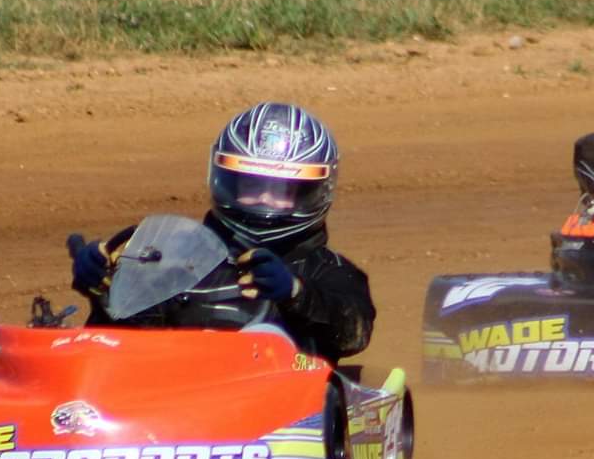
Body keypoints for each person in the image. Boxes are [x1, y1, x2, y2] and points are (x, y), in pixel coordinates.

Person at [69, 101, 375, 361]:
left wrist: (296, 294)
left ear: (313, 192)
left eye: (283, 190)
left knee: (265, 338)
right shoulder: (175, 254)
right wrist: (105, 289)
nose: (264, 199)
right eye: (252, 186)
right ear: (225, 181)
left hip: (277, 402)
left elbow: (353, 334)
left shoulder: (327, 271)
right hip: (172, 393)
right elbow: (127, 343)